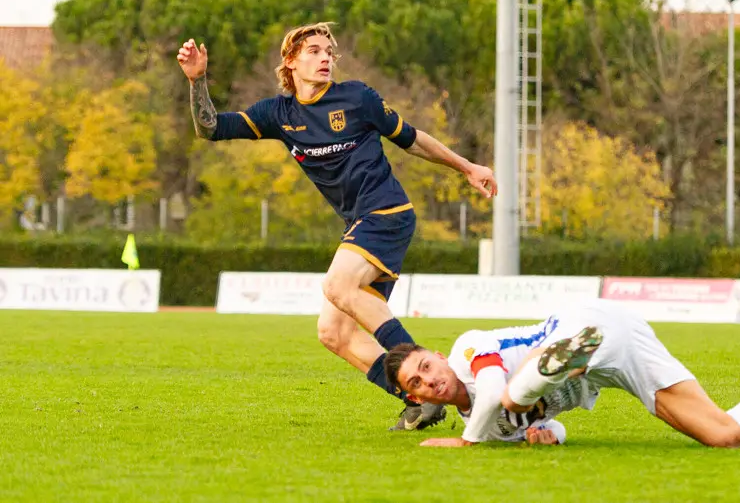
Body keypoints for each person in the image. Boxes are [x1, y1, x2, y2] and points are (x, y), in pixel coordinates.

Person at [176, 22, 498, 430]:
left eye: (329, 51)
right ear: (290, 61)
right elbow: (210, 128)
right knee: (332, 332)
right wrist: (197, 79)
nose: (325, 57)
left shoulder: (357, 97)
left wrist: (467, 167)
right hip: (359, 225)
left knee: (336, 285)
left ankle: (422, 364)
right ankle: (419, 396)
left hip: (387, 214)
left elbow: (412, 139)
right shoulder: (277, 113)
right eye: (313, 50)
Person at [385, 299, 740, 447]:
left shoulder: (469, 348)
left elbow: (491, 395)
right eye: (417, 384)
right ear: (414, 398)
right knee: (724, 434)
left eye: (426, 366)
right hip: (613, 358)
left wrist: (469, 443)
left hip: (587, 327)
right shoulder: (487, 425)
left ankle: (561, 358)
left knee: (509, 394)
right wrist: (548, 435)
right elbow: (555, 424)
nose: (429, 380)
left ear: (438, 354)